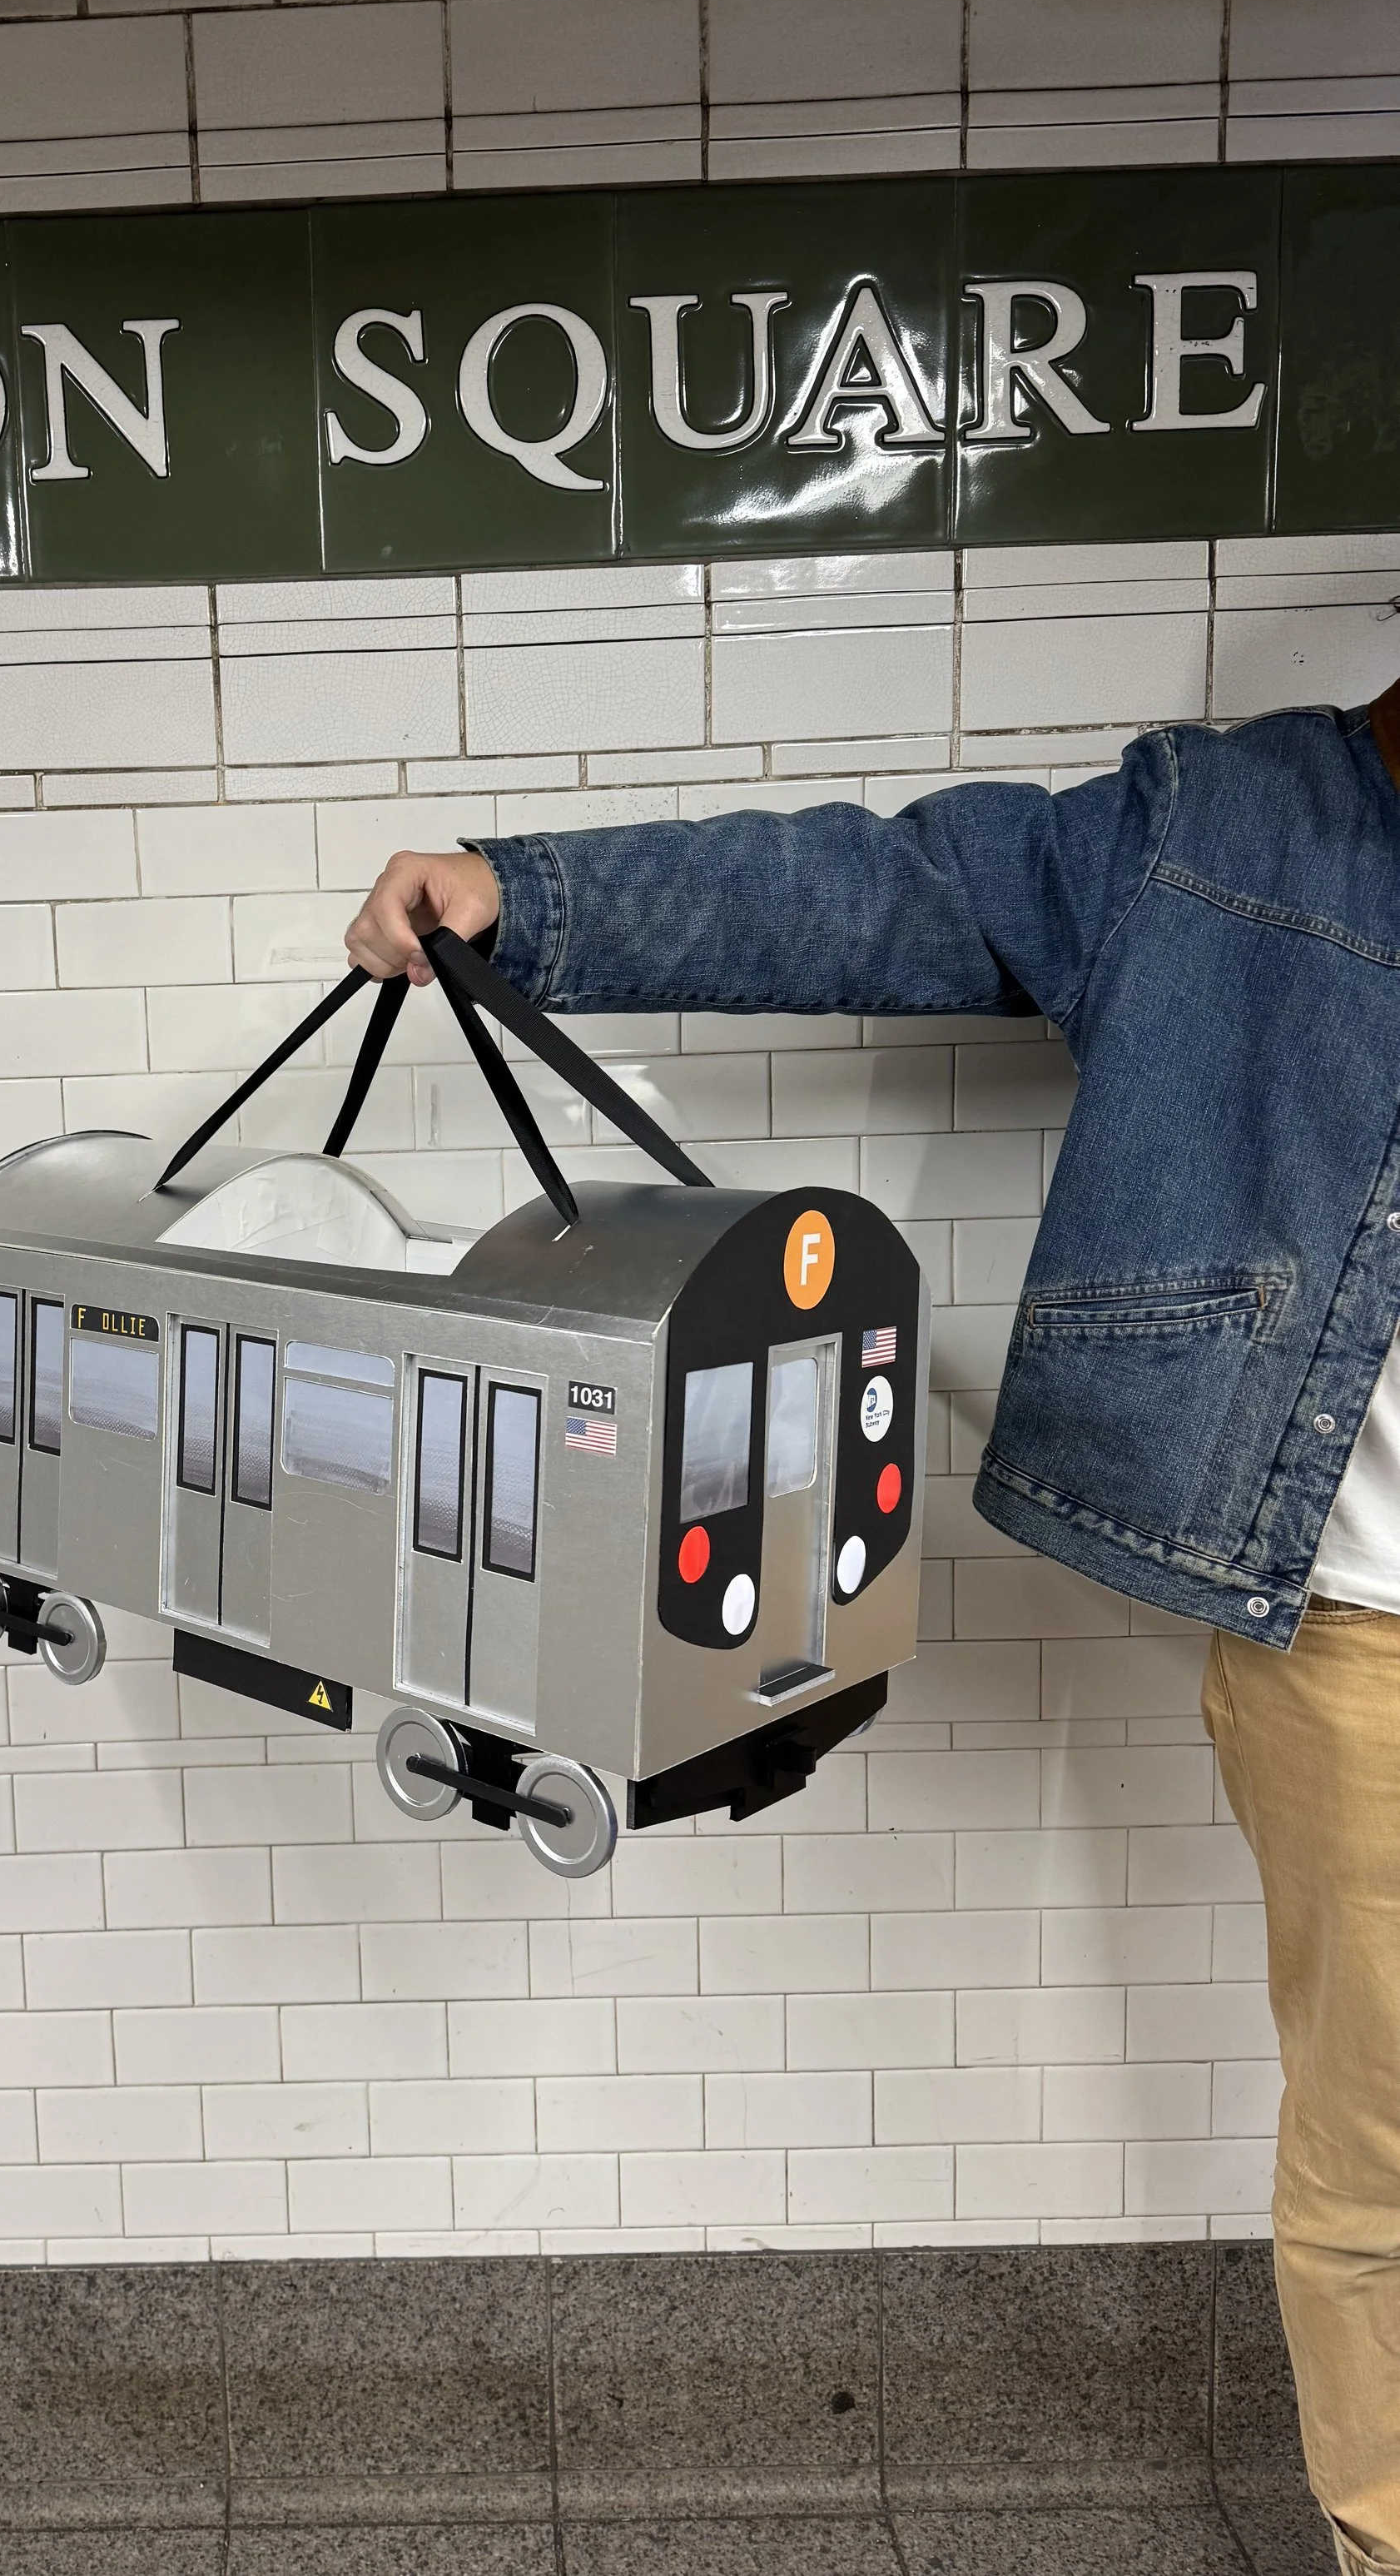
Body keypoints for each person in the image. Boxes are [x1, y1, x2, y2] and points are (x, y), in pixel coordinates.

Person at [345, 689, 1400, 2576]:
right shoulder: (1233, 824)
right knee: (1385, 2174)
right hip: (1365, 1646)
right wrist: (525, 894)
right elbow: (889, 888)